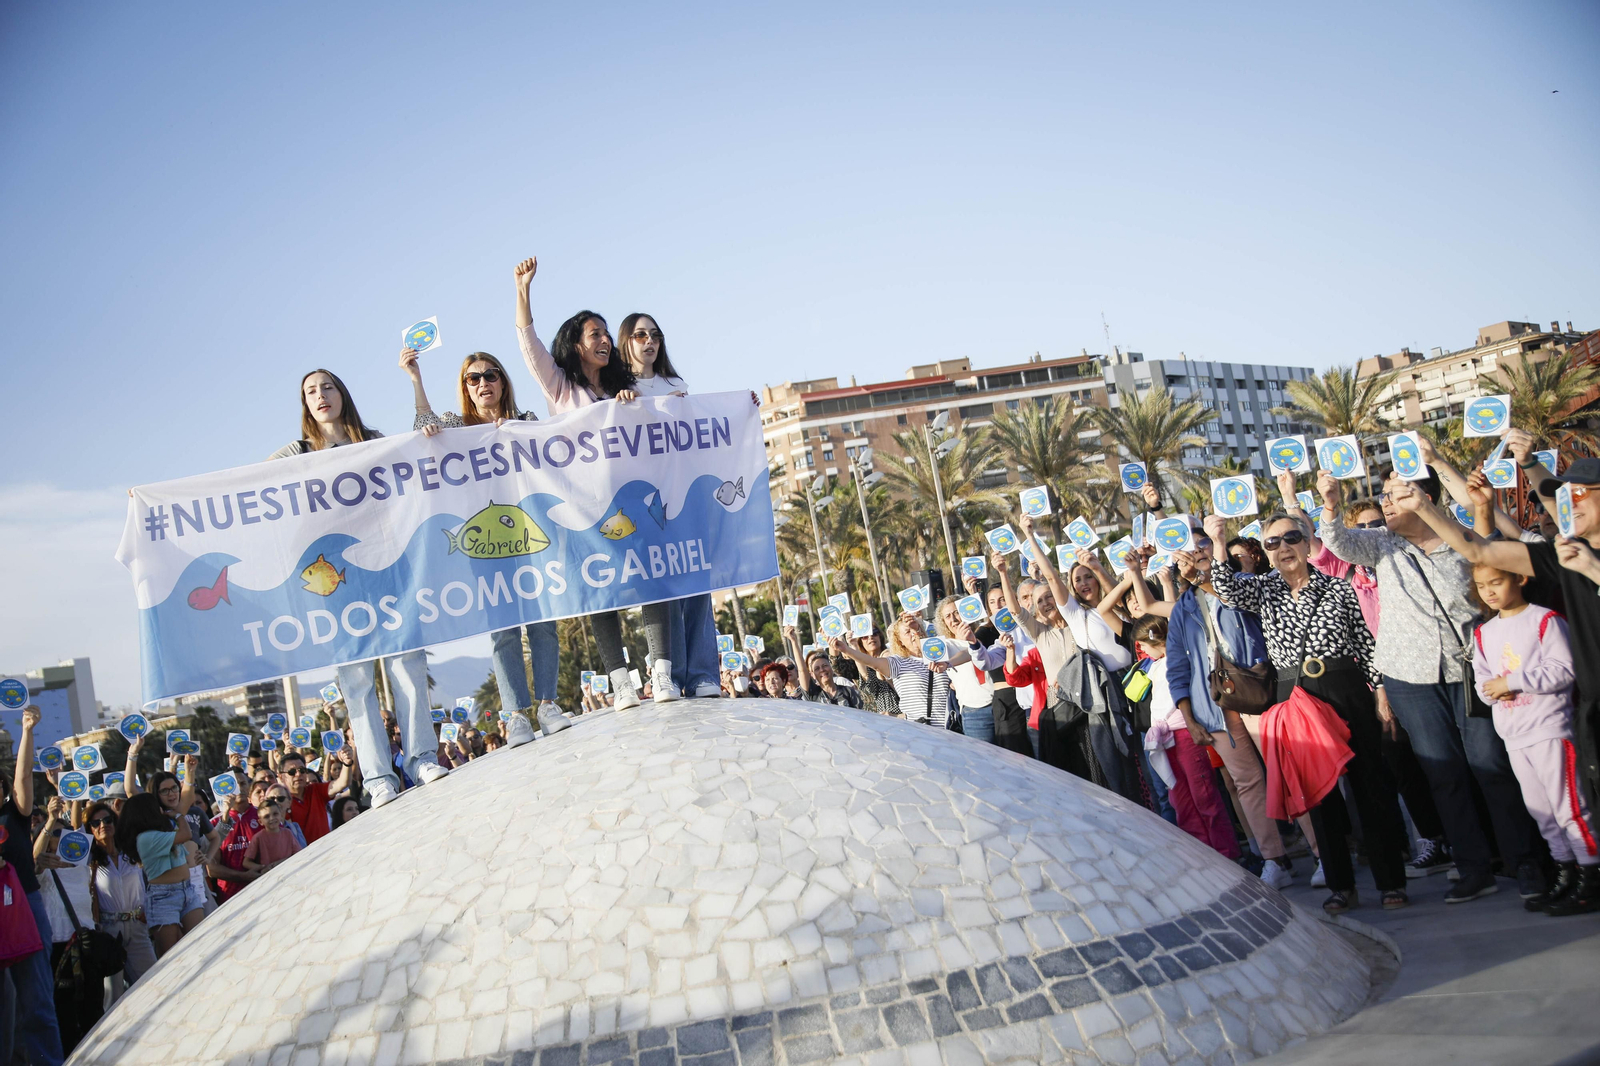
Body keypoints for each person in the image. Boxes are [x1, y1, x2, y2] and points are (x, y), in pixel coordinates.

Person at [1318, 468, 1540, 903]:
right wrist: (1329, 503)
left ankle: (1525, 861)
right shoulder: (1381, 543)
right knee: (1444, 775)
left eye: (1395, 495)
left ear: (1426, 498)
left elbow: (1498, 558)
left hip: (1472, 670)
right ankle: (1474, 867)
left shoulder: (1463, 539)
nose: (1385, 503)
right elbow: (1338, 542)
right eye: (1384, 495)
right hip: (1410, 676)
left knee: (1491, 766)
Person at [1208, 511, 1410, 914]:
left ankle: (1391, 881)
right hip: (1295, 695)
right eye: (1273, 542)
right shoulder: (1263, 590)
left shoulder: (1337, 587)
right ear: (1266, 552)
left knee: (1370, 785)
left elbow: (1365, 645)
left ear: (1306, 542)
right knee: (1319, 796)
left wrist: (1380, 691)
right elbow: (1225, 588)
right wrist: (1217, 541)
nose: (1283, 548)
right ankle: (1340, 885)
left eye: (1291, 538)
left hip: (1345, 689)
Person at [268, 368, 450, 806]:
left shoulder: (372, 440)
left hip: (384, 566)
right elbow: (244, 487)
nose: (320, 396)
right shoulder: (297, 453)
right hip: (332, 582)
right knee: (356, 680)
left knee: (406, 664)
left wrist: (430, 428)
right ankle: (378, 778)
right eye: (310, 391)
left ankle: (421, 758)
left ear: (342, 394)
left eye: (327, 387)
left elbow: (408, 471)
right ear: (305, 404)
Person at [513, 257, 662, 709]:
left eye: (606, 334)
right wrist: (523, 291)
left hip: (630, 507)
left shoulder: (623, 389)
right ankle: (621, 682)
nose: (604, 340)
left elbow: (664, 413)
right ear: (576, 345)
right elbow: (529, 346)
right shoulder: (560, 388)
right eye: (595, 334)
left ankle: (660, 670)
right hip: (585, 510)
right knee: (603, 593)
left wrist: (629, 402)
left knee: (652, 580)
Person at [401, 345, 567, 741]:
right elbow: (422, 430)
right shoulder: (456, 427)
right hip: (487, 550)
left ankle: (548, 704)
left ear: (503, 382)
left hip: (528, 537)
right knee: (504, 630)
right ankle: (516, 715)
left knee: (544, 622)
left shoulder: (525, 422)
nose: (482, 383)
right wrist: (416, 379)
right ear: (466, 388)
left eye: (490, 375)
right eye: (473, 378)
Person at [1137, 528, 1294, 888]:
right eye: (1189, 549)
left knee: (1285, 771)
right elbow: (1177, 668)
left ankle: (1321, 853)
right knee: (1247, 782)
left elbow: (1238, 603)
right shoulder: (1183, 608)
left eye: (1203, 544)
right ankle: (1274, 859)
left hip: (1259, 693)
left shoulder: (1245, 585)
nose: (1196, 552)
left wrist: (1205, 579)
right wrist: (1189, 717)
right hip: (1214, 708)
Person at [1471, 562, 1599, 914]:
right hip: (1514, 734)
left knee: (1569, 808)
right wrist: (1492, 691)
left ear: (1520, 578)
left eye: (1496, 582)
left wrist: (1511, 682)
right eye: (1481, 585)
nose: (1489, 591)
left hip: (1550, 729)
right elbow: (1482, 681)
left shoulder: (1545, 620)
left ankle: (1590, 876)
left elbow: (1564, 669)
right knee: (1542, 812)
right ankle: (1565, 874)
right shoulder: (1483, 632)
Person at [616, 312, 726, 701]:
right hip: (648, 506)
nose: (649, 342)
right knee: (666, 588)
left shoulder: (676, 385)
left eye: (655, 335)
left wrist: (743, 407)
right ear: (626, 341)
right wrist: (623, 405)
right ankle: (673, 674)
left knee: (696, 584)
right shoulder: (617, 391)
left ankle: (703, 673)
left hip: (684, 497)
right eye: (640, 335)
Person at [1134, 617, 1240, 860]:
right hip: (1166, 739)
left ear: (1154, 640)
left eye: (1143, 645)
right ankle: (1201, 856)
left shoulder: (1179, 659)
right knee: (1180, 800)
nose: (1143, 651)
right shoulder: (1155, 667)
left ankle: (1227, 854)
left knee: (1204, 796)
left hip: (1186, 734)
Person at [0, 708, 64, 1065]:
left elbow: (23, 774)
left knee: (35, 999)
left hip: (25, 905)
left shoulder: (15, 813)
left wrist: (27, 730)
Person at [117, 756, 206, 957]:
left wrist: (190, 772)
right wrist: (133, 754)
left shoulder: (168, 823)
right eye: (164, 791)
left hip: (188, 890)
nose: (172, 794)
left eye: (174, 788)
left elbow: (186, 798)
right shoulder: (147, 837)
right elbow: (186, 834)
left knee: (201, 945)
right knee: (172, 957)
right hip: (163, 896)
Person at [829, 612, 966, 727]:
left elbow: (969, 652)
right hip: (922, 732)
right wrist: (847, 649)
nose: (913, 634)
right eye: (907, 632)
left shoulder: (939, 655)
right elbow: (872, 662)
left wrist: (952, 671)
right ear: (900, 641)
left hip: (951, 729)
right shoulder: (898, 662)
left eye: (915, 629)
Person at [279, 750, 349, 846]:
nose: (298, 774)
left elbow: (342, 783)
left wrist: (347, 762)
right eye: (292, 772)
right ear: (281, 777)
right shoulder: (280, 801)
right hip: (303, 853)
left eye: (302, 770)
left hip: (329, 848)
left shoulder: (315, 789)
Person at [243, 795, 302, 874]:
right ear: (260, 822)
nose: (272, 818)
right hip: (270, 875)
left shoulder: (288, 833)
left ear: (281, 815)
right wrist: (264, 867)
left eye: (275, 814)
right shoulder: (258, 837)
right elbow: (246, 863)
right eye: (266, 816)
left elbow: (299, 854)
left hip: (290, 871)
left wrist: (282, 862)